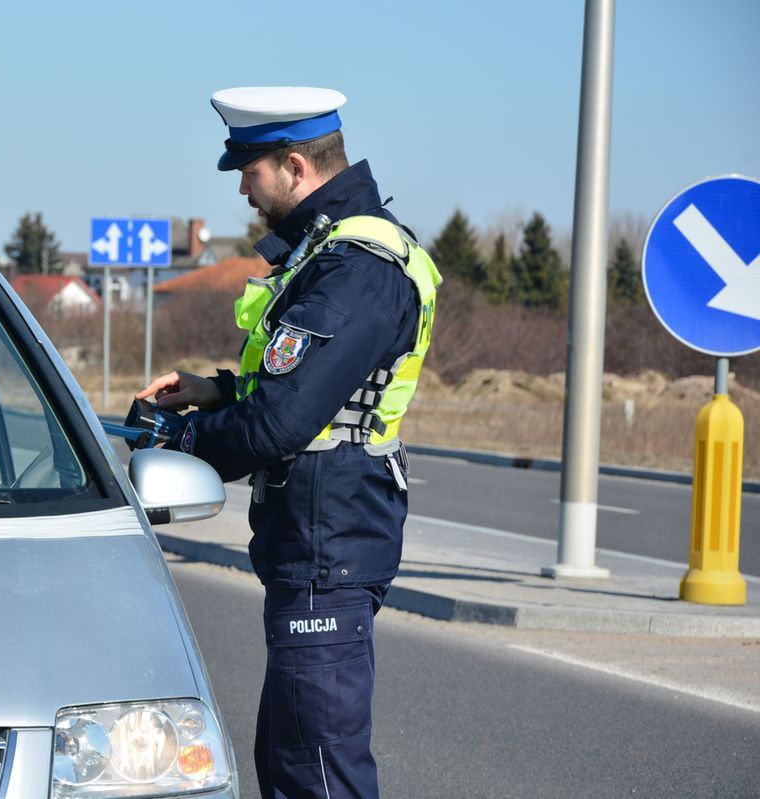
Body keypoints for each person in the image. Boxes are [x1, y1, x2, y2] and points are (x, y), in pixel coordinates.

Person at [137, 87, 441, 799]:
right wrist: (213, 391)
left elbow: (282, 421)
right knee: (289, 759)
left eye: (250, 169)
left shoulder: (356, 267)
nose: (243, 186)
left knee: (317, 772)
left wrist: (182, 442)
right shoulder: (327, 251)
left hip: (327, 545)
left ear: (296, 166)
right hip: (314, 544)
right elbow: (299, 386)